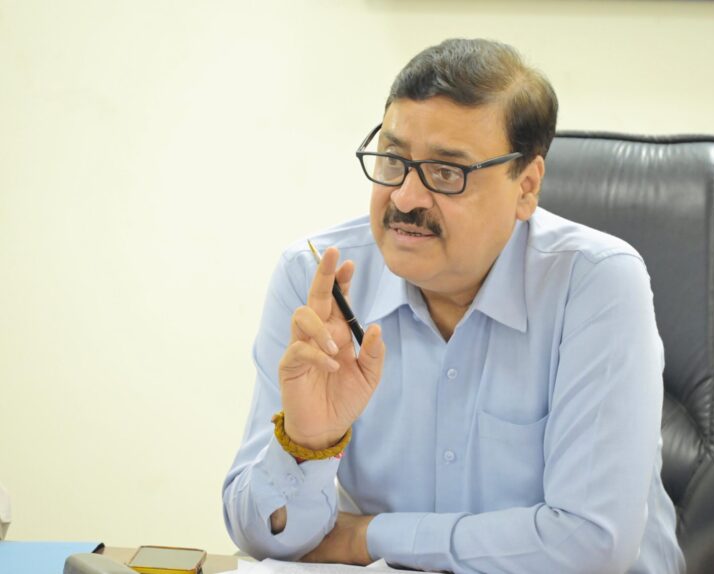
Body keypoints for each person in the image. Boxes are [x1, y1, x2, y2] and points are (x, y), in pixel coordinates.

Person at [223, 38, 685, 574]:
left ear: (526, 187)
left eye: (446, 173)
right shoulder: (318, 280)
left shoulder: (596, 282)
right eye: (393, 160)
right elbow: (260, 537)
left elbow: (590, 544)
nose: (405, 198)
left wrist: (368, 537)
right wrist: (307, 445)